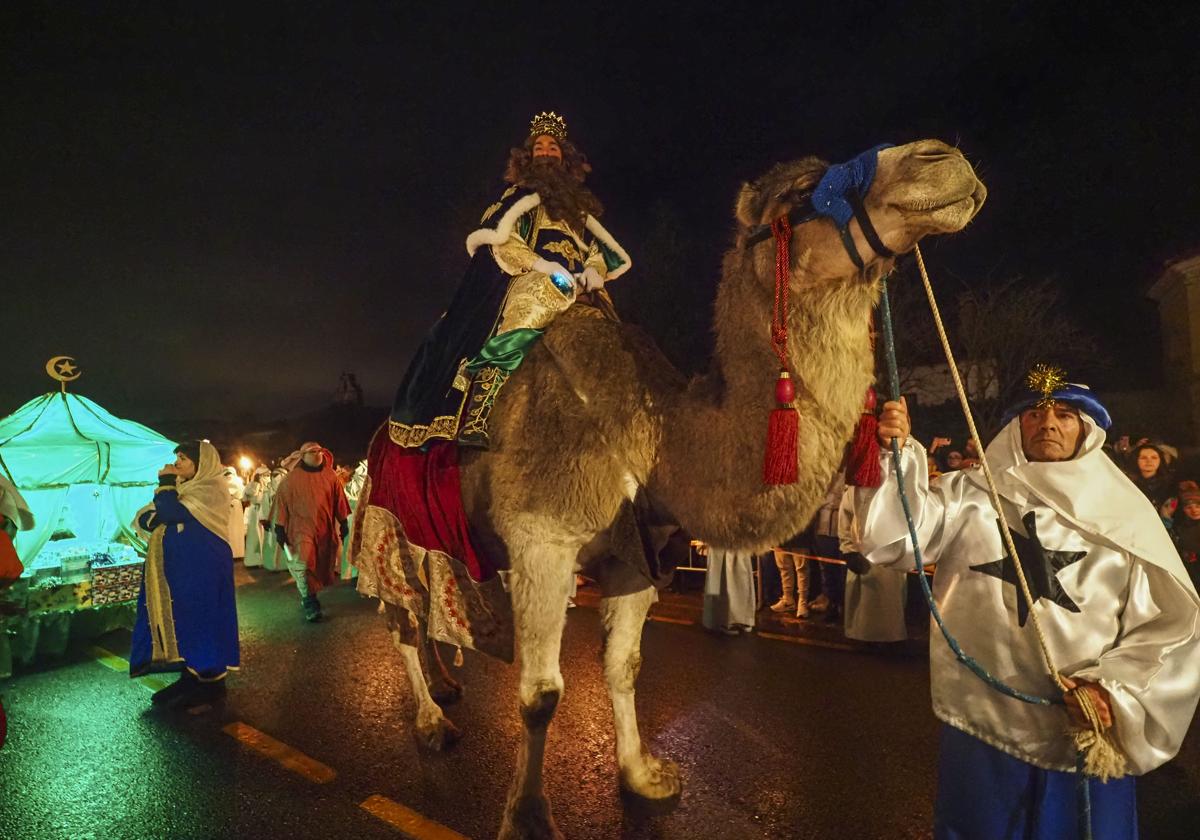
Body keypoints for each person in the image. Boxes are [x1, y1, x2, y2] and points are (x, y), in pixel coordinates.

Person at [859, 367, 1200, 839]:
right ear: (1016, 426)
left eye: (1065, 414)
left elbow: (1169, 626)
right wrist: (895, 456)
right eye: (1035, 413)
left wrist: (1113, 691)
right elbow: (897, 539)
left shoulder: (1126, 517)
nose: (1049, 424)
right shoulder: (971, 496)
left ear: (1088, 428)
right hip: (986, 719)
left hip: (1083, 722)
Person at [387, 111, 630, 450]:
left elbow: (597, 251)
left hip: (582, 285)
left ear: (565, 158)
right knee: (540, 299)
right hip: (535, 277)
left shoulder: (578, 210)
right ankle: (480, 406)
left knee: (620, 335)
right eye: (540, 147)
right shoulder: (519, 198)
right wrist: (544, 266)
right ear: (529, 157)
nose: (547, 152)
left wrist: (594, 270)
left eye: (554, 148)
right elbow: (503, 240)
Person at [130, 441, 240, 710]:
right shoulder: (183, 489)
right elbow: (144, 517)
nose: (177, 462)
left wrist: (166, 483)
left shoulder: (211, 488)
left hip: (204, 567)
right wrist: (166, 503)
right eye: (177, 457)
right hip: (184, 569)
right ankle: (191, 676)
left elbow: (167, 512)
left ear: (202, 465)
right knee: (186, 619)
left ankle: (212, 685)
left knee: (203, 619)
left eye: (184, 459)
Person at [271, 442, 350, 622]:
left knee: (319, 565)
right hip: (300, 530)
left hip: (324, 530)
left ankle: (309, 593)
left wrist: (344, 522)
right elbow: (282, 505)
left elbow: (340, 502)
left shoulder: (330, 477)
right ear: (303, 455)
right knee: (304, 564)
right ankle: (309, 601)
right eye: (312, 452)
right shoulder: (291, 480)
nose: (316, 454)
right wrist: (279, 528)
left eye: (318, 451)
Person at [839, 485, 907, 643]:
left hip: (891, 554)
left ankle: (890, 636)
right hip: (862, 550)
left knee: (889, 600)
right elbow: (845, 519)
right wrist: (849, 549)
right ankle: (860, 635)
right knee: (863, 601)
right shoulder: (855, 490)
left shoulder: (897, 488)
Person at [699, 544, 757, 635]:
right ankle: (723, 620)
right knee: (720, 581)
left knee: (742, 579)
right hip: (719, 544)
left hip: (739, 543)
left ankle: (743, 619)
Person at [1169, 480, 1200, 590]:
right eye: (1189, 507)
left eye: (1198, 506)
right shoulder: (1180, 528)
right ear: (1183, 509)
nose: (1194, 510)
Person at [242, 466, 271, 568]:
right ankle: (254, 561)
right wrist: (255, 484)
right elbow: (247, 495)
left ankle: (263, 560)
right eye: (265, 475)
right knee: (254, 536)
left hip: (263, 510)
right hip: (255, 511)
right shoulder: (254, 485)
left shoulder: (268, 483)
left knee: (264, 536)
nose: (267, 477)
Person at [222, 465, 246, 562]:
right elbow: (242, 494)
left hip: (225, 505)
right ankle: (238, 552)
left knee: (228, 529)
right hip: (236, 504)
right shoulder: (238, 481)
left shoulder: (221, 480)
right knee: (237, 529)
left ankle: (228, 552)